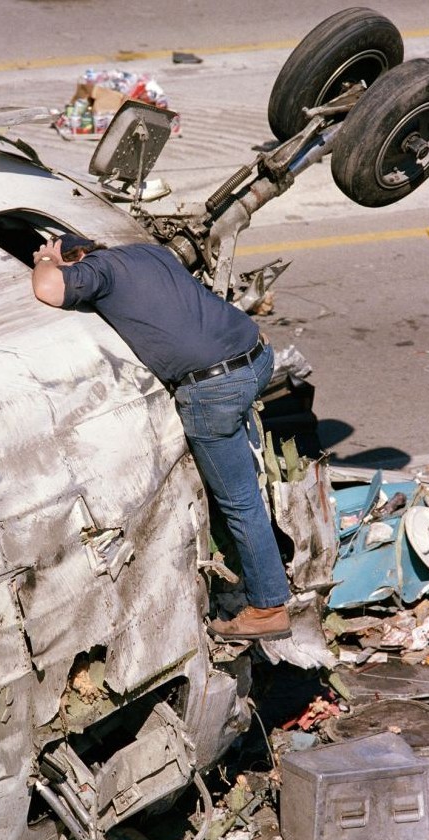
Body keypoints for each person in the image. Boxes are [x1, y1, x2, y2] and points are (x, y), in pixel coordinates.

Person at [31, 234, 293, 641]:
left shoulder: (98, 270)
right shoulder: (145, 252)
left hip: (213, 390)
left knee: (240, 502)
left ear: (79, 257)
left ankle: (268, 608)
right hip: (257, 357)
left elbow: (49, 289)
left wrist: (47, 261)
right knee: (243, 482)